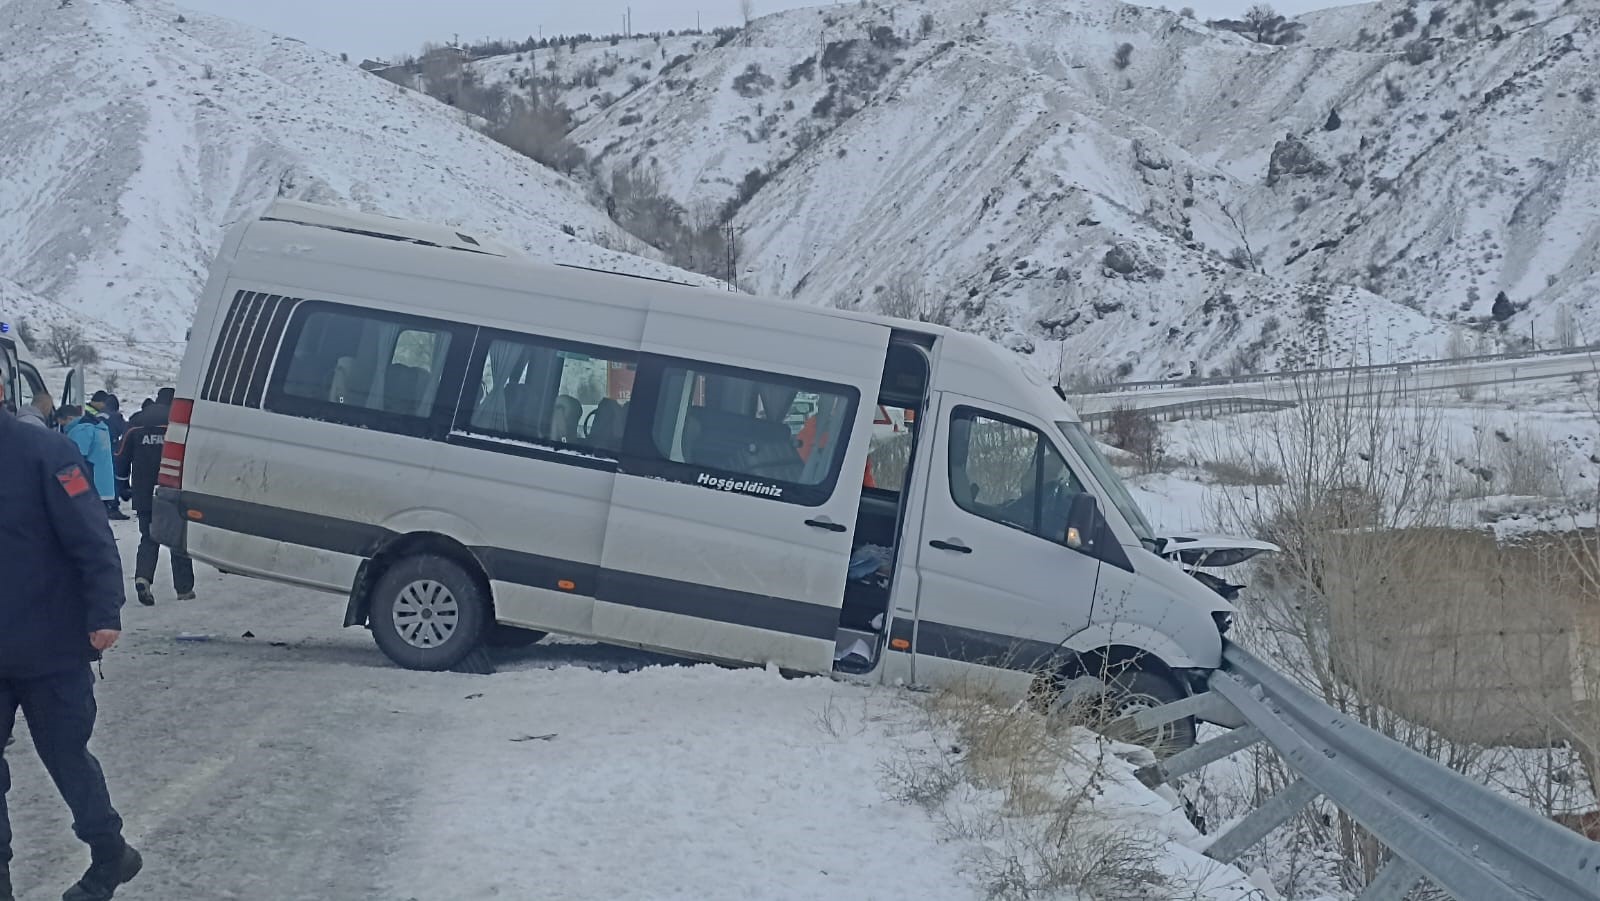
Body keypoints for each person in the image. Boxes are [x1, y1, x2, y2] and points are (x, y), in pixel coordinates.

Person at [0, 379, 143, 901]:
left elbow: (90, 534)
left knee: (65, 755)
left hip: (49, 644)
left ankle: (110, 851)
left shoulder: (46, 452)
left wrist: (105, 610)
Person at [116, 398, 195, 605]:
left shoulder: (136, 422)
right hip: (172, 490)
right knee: (177, 539)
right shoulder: (178, 421)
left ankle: (143, 578)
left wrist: (123, 485)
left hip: (143, 492)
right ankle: (184, 589)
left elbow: (121, 455)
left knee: (148, 537)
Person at [61, 407, 124, 521]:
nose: (63, 427)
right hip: (103, 485)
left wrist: (70, 488)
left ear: (69, 418)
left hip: (88, 485)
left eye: (63, 423)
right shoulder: (99, 427)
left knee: (85, 521)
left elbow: (74, 458)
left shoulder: (81, 430)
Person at [90, 394, 128, 520]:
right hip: (111, 446)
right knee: (113, 477)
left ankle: (101, 504)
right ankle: (113, 506)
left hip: (97, 447)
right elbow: (124, 430)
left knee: (99, 477)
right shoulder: (116, 416)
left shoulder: (97, 415)